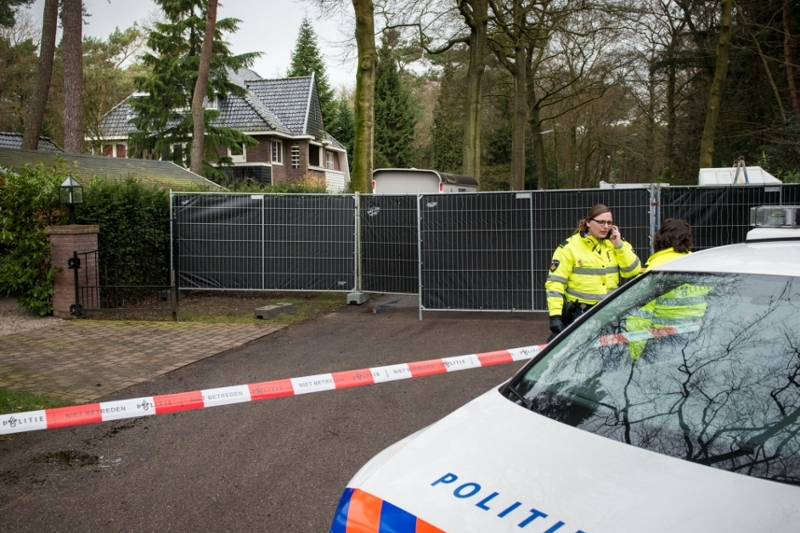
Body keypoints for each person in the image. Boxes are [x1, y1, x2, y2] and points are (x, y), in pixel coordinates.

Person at [546, 204, 641, 341]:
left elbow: (632, 271)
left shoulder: (616, 243)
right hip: (582, 313)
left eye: (609, 222)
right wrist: (555, 317)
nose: (606, 226)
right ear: (588, 222)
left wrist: (619, 246)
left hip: (610, 312)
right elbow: (555, 283)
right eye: (601, 222)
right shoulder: (569, 247)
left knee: (611, 351)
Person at [626, 218, 711, 359]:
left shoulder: (656, 269)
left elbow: (639, 318)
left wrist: (635, 355)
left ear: (660, 238)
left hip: (664, 344)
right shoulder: (700, 265)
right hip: (697, 342)